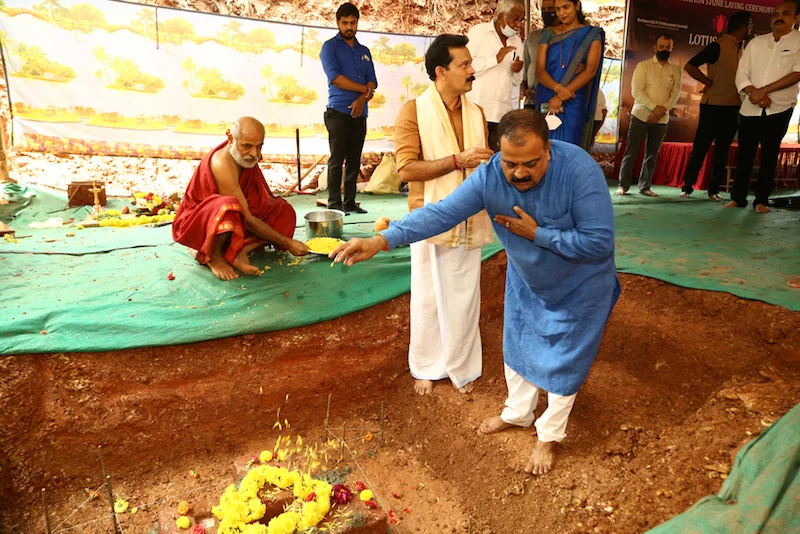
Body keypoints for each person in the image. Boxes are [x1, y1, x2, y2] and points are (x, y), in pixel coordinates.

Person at [330, 109, 619, 474]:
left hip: (581, 286)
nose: (519, 173)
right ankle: (518, 414)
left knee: (565, 362)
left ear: (549, 150)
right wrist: (381, 240)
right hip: (528, 279)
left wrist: (538, 234)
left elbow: (598, 242)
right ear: (499, 153)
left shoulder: (579, 171)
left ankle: (548, 436)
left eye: (531, 163)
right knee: (518, 347)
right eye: (510, 163)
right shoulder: (489, 176)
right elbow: (440, 214)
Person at [394, 35, 495, 396]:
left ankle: (461, 365)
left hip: (470, 218)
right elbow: (406, 169)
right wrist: (457, 161)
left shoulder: (477, 112)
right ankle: (426, 366)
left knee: (464, 295)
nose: (472, 70)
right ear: (441, 71)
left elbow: (484, 165)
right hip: (428, 218)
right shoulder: (413, 111)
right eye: (464, 64)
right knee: (428, 296)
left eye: (470, 63)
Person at [173, 117, 309, 281]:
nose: (255, 154)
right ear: (230, 139)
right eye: (247, 146)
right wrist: (287, 242)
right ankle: (215, 256)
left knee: (283, 210)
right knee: (229, 206)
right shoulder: (221, 164)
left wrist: (268, 211)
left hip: (239, 217)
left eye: (259, 146)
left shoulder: (245, 157)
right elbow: (247, 218)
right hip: (203, 223)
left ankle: (241, 250)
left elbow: (255, 202)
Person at [725, 1, 800, 213]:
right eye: (775, 14)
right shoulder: (756, 43)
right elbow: (742, 73)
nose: (779, 17)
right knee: (744, 154)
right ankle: (738, 198)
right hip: (750, 107)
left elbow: (797, 73)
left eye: (785, 13)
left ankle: (761, 200)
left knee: (769, 155)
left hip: (779, 108)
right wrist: (754, 93)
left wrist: (764, 90)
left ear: (796, 18)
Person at [679, 12, 752, 201]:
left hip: (733, 107)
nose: (750, 29)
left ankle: (713, 190)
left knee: (722, 150)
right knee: (700, 147)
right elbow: (690, 66)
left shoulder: (743, 49)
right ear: (743, 27)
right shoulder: (717, 46)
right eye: (749, 25)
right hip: (712, 106)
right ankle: (687, 187)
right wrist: (707, 81)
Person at [320, 2, 378, 214]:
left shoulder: (364, 51)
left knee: (354, 159)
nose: (349, 27)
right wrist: (364, 90)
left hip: (360, 113)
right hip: (338, 112)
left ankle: (350, 202)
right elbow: (335, 78)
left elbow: (372, 81)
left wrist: (363, 98)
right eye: (344, 23)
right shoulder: (330, 47)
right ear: (338, 23)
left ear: (357, 23)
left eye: (353, 23)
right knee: (337, 159)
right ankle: (334, 203)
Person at [616, 34, 682, 197]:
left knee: (652, 154)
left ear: (672, 49)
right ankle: (623, 185)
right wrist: (654, 108)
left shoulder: (676, 70)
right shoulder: (643, 66)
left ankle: (645, 186)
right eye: (662, 47)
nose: (665, 50)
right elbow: (637, 92)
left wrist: (662, 110)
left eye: (668, 47)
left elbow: (675, 94)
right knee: (632, 150)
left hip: (662, 118)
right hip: (640, 115)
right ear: (655, 48)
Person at [534, 0, 604, 150]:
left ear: (577, 5)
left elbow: (590, 71)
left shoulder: (591, 35)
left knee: (570, 147)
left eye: (566, 7)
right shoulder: (549, 33)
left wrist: (561, 97)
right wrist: (559, 89)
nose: (561, 13)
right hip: (548, 95)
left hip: (573, 98)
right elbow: (539, 70)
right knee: (543, 145)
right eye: (558, 9)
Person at [466, 0, 525, 151]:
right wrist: (495, 59)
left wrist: (517, 70)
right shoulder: (478, 33)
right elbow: (466, 67)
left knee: (496, 158)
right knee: (475, 156)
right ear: (501, 17)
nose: (519, 24)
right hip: (477, 110)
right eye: (515, 19)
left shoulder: (517, 41)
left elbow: (517, 81)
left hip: (502, 113)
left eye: (521, 20)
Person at [521, 0, 561, 109]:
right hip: (532, 102)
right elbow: (525, 70)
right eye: (543, 9)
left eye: (550, 9)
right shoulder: (533, 37)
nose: (546, 13)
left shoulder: (570, 39)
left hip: (557, 102)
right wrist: (525, 90)